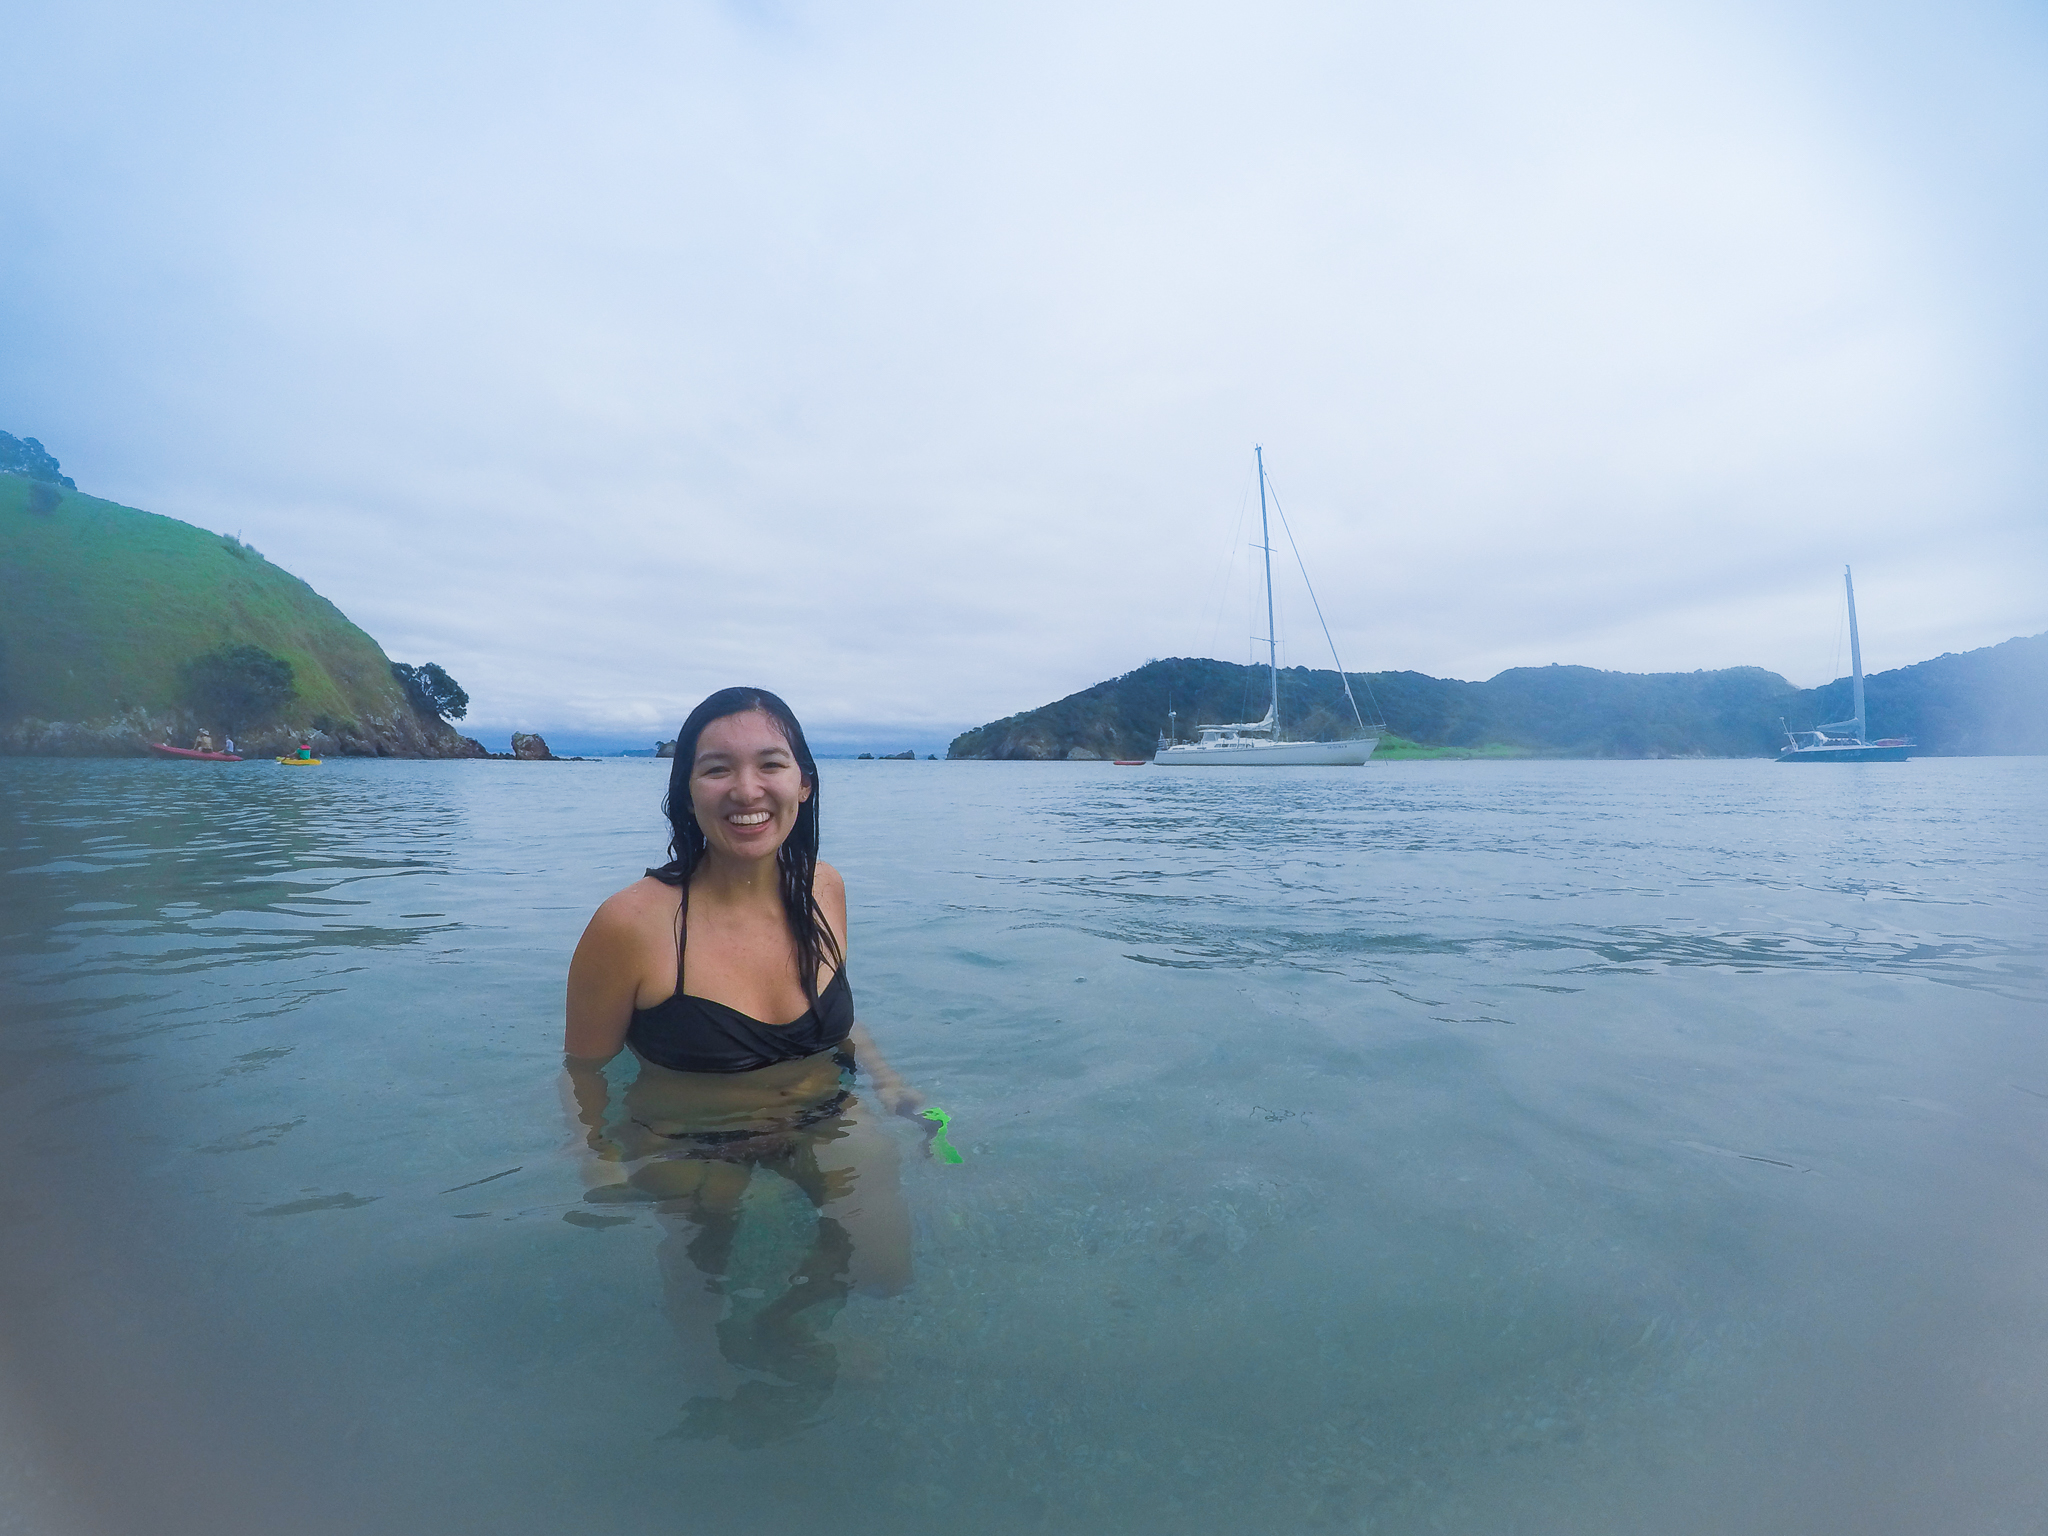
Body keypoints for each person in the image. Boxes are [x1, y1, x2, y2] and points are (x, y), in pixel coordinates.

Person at [563, 686, 919, 1435]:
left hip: (820, 1109)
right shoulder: (630, 924)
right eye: (717, 769)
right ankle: (709, 1370)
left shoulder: (824, 887)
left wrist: (886, 1080)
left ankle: (784, 1325)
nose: (746, 790)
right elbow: (583, 1070)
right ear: (686, 790)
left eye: (770, 765)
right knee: (710, 1246)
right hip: (689, 1133)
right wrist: (593, 1154)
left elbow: (834, 1017)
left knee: (885, 1269)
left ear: (804, 783)